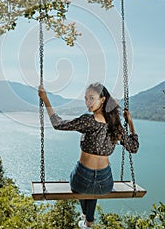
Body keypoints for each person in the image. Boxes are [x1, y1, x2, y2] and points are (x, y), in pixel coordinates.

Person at [38, 82, 139, 229]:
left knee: (81, 179)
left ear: (102, 99)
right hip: (105, 183)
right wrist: (130, 123)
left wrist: (45, 99)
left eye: (91, 98)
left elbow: (57, 123)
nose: (88, 102)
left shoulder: (88, 121)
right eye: (86, 98)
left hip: (82, 180)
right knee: (93, 188)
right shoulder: (116, 125)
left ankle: (87, 219)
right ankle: (88, 222)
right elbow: (133, 147)